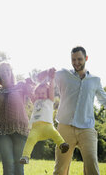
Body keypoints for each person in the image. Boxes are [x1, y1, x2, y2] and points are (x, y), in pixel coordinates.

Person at [53, 46, 106, 175]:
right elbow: (46, 84)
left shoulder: (95, 80)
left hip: (86, 128)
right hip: (65, 127)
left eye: (79, 59)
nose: (76, 62)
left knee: (92, 165)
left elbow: (104, 100)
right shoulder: (63, 75)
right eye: (73, 59)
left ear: (86, 58)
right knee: (60, 168)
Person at [20, 68, 69, 165]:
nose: (40, 95)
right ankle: (25, 157)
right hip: (35, 128)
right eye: (38, 93)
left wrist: (51, 79)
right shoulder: (36, 101)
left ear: (47, 93)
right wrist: (27, 84)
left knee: (55, 133)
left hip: (48, 126)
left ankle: (62, 145)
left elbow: (51, 88)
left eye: (42, 93)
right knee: (30, 140)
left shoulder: (49, 100)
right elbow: (30, 94)